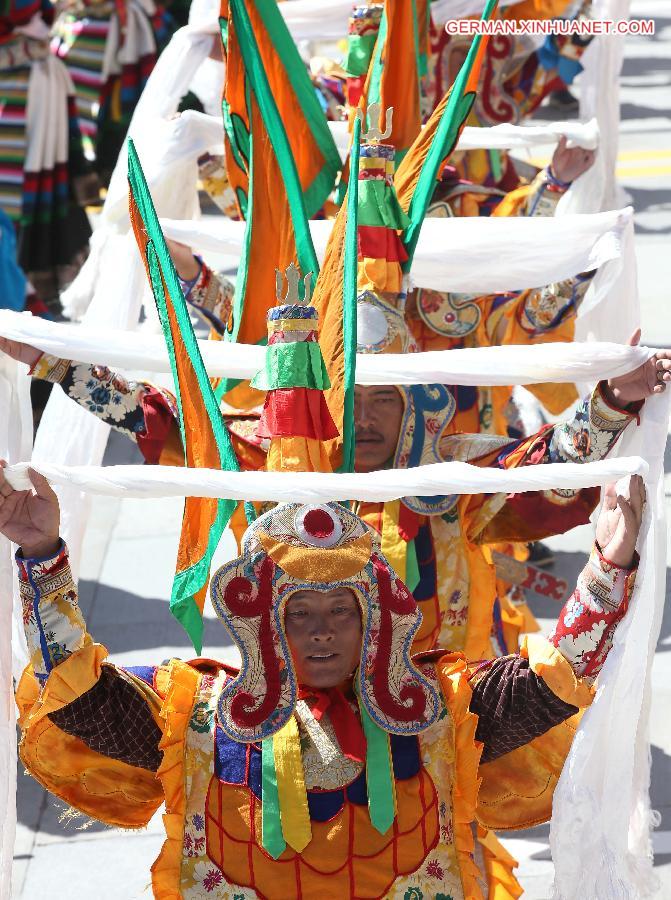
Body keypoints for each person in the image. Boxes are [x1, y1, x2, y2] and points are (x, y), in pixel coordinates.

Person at [1, 457, 645, 898]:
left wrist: (609, 565)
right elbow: (82, 701)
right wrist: (41, 558)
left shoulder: (442, 711)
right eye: (298, 613)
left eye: (342, 610)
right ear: (259, 623)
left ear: (376, 621)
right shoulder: (195, 717)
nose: (322, 631)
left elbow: (554, 680)